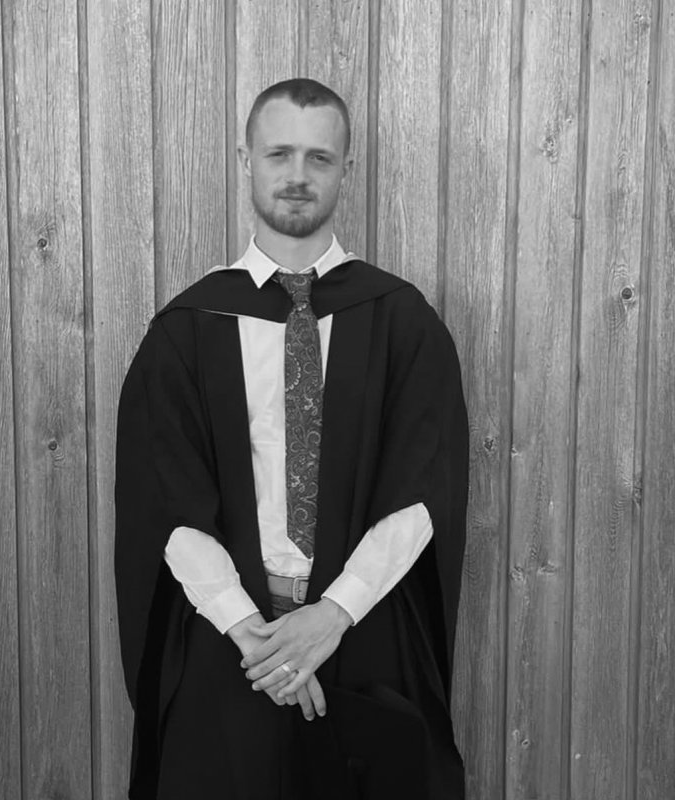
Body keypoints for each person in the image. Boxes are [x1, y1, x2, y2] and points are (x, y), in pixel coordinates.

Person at [115, 78, 469, 799]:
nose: (298, 175)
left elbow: (423, 488)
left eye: (319, 157)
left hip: (364, 634)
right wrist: (256, 637)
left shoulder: (402, 322)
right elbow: (166, 498)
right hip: (226, 642)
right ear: (245, 158)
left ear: (347, 168)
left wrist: (330, 617)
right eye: (279, 153)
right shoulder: (188, 328)